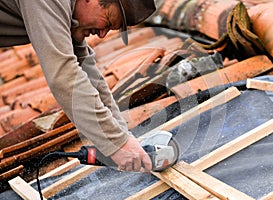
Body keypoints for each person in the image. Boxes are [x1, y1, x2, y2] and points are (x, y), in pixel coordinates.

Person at [0, 0, 156, 172]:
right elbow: (64, 76)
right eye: (108, 22)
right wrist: (118, 144)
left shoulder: (70, 13)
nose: (102, 35)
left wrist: (124, 135)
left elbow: (87, 71)